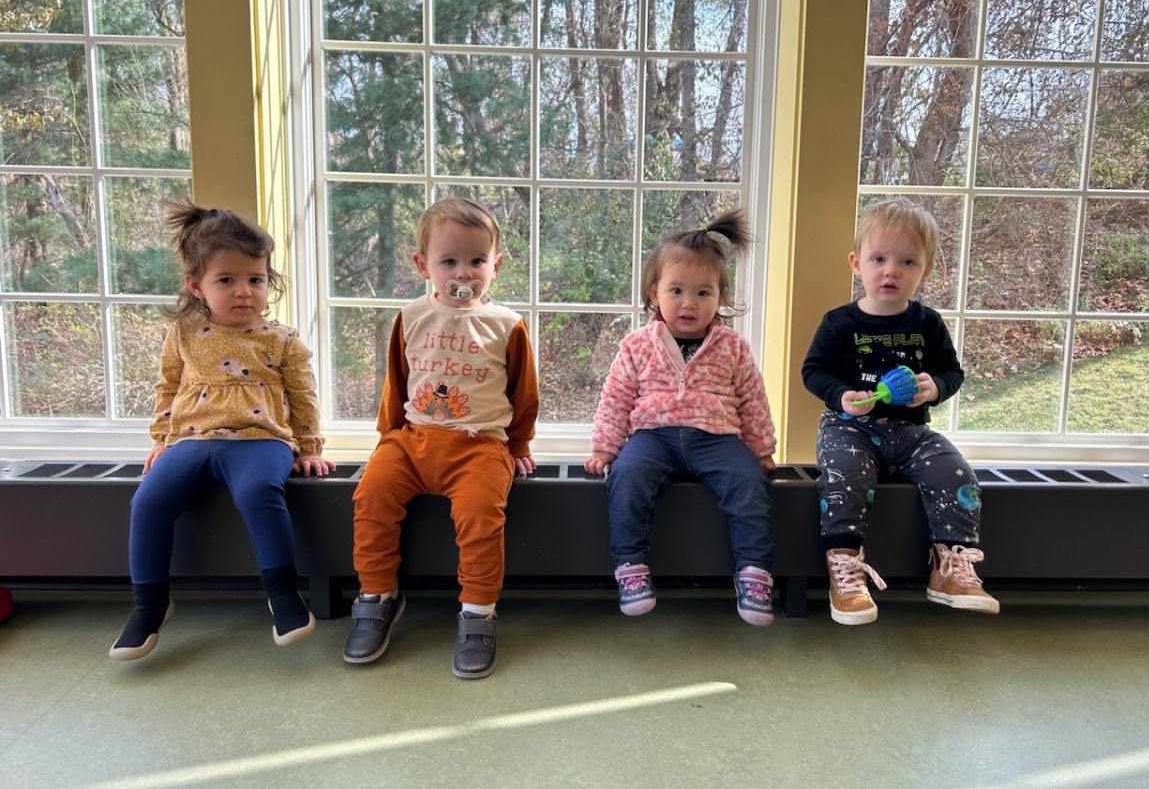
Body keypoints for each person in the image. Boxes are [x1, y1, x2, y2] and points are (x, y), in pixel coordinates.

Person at [110, 202, 335, 661]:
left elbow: (304, 396)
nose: (244, 292)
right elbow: (169, 383)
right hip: (192, 439)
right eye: (226, 280)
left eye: (255, 279)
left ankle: (283, 595)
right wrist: (160, 438)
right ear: (197, 285)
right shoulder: (185, 333)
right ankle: (150, 605)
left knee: (257, 492)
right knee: (148, 501)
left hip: (261, 439)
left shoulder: (282, 340)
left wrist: (309, 447)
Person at [344, 197, 538, 679]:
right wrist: (389, 436)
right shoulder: (411, 316)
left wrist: (518, 444)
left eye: (476, 260)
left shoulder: (506, 324)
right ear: (423, 265)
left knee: (479, 518)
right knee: (370, 496)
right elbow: (396, 378)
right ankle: (377, 596)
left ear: (496, 264)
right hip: (412, 439)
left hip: (480, 446)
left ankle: (478, 613)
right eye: (448, 260)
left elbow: (523, 390)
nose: (463, 271)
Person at [801, 197, 999, 625]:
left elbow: (951, 371)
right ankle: (846, 567)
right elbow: (813, 371)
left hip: (911, 435)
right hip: (849, 429)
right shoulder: (839, 323)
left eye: (906, 261)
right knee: (842, 477)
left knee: (957, 472)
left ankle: (950, 567)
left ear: (924, 272)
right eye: (879, 258)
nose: (891, 270)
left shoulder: (927, 323)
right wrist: (840, 396)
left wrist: (933, 389)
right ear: (857, 264)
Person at [585, 209, 777, 626]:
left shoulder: (733, 348)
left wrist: (761, 450)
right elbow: (616, 397)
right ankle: (631, 567)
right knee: (626, 478)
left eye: (703, 293)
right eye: (677, 291)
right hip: (652, 437)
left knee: (750, 486)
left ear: (720, 298)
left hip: (718, 439)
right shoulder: (637, 344)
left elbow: (752, 399)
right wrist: (606, 446)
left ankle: (754, 572)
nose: (689, 303)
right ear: (655, 293)